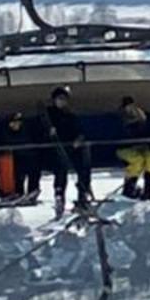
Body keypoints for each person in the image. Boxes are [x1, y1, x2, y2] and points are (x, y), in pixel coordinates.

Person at [45, 85, 94, 214]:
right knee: (60, 169)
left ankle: (83, 194)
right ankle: (59, 195)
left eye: (64, 99)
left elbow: (80, 130)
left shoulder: (70, 115)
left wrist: (79, 139)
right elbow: (41, 132)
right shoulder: (48, 115)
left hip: (72, 147)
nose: (62, 101)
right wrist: (49, 133)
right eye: (59, 99)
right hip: (56, 149)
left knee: (84, 165)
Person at [116, 94, 150, 202]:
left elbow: (147, 128)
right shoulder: (120, 118)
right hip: (124, 148)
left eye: (131, 106)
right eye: (127, 106)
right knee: (137, 160)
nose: (129, 109)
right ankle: (129, 186)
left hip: (142, 147)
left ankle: (148, 188)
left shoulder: (140, 115)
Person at [7, 105, 46, 204]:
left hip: (31, 156)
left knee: (34, 171)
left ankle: (33, 191)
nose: (16, 125)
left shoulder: (27, 131)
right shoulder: (8, 133)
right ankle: (18, 193)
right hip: (17, 158)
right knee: (18, 174)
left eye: (18, 122)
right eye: (13, 123)